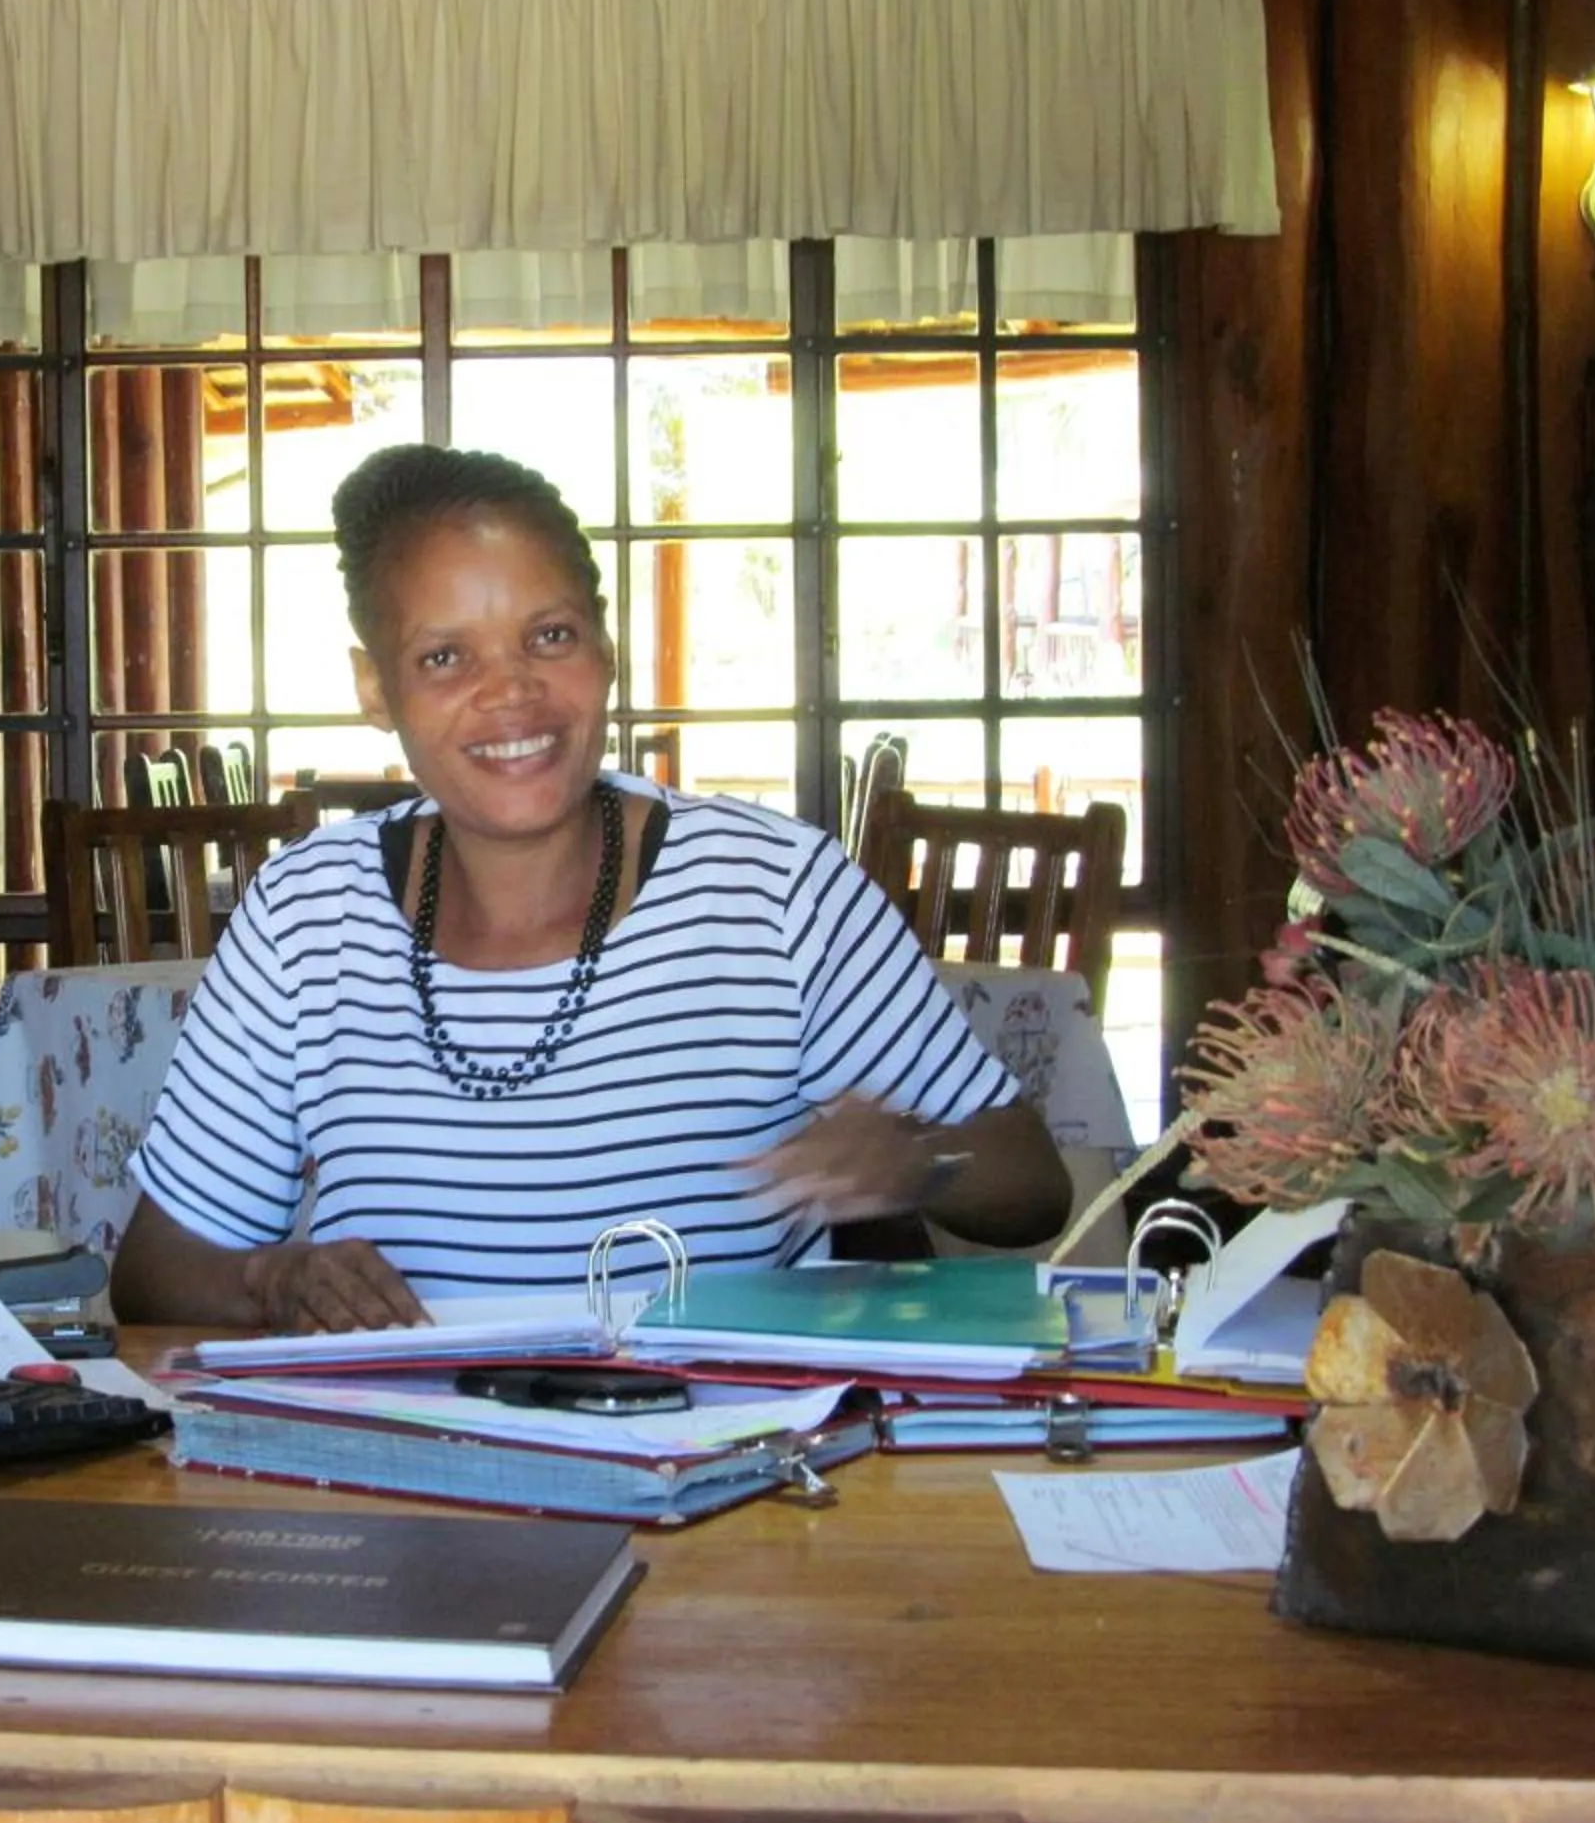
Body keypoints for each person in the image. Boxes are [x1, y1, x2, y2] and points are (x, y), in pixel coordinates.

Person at [112, 444, 1070, 1331]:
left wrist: (920, 1161)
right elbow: (154, 1271)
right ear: (375, 689)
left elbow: (1033, 1187)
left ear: (606, 651)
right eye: (444, 657)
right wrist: (269, 1280)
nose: (511, 690)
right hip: (402, 1473)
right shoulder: (303, 916)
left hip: (730, 1468)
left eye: (551, 635)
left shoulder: (778, 893)